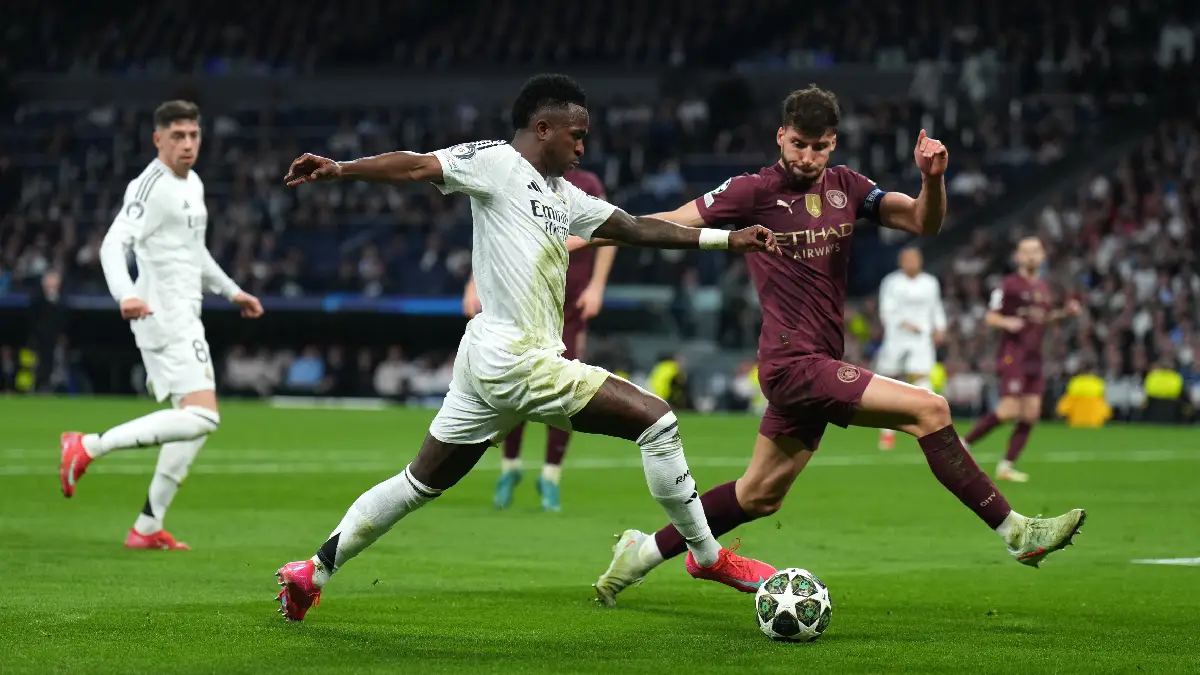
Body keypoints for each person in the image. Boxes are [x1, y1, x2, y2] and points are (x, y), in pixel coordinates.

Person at [273, 74, 780, 622]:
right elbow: (419, 165)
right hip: (516, 357)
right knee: (657, 423)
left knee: (419, 482)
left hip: (489, 362)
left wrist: (726, 238)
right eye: (576, 134)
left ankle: (314, 570)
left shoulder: (562, 195)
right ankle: (705, 555)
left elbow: (634, 228)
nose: (583, 146)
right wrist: (342, 167)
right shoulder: (496, 162)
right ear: (543, 129)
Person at [591, 85, 1085, 606]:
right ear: (781, 136)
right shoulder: (751, 191)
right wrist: (581, 234)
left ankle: (641, 553)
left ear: (834, 145)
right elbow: (665, 222)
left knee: (758, 495)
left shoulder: (848, 187)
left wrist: (931, 179)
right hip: (791, 364)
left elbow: (924, 221)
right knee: (930, 408)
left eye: (819, 147)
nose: (807, 157)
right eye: (799, 144)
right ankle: (1016, 532)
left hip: (819, 362)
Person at [58, 100, 265, 550]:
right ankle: (87, 445)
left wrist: (232, 291)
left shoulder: (193, 183)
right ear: (158, 139)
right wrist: (125, 294)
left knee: (189, 422)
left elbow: (195, 252)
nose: (188, 144)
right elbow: (113, 244)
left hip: (186, 312)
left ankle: (148, 526)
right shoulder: (148, 186)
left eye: (193, 135)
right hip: (160, 314)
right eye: (178, 136)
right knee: (203, 416)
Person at [462, 168, 617, 512]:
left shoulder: (587, 185)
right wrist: (473, 284)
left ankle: (550, 476)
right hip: (520, 298)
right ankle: (510, 468)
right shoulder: (516, 178)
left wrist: (597, 286)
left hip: (569, 302)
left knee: (567, 388)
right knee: (513, 382)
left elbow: (611, 231)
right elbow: (495, 239)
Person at [963, 236, 1081, 482]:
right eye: (1026, 252)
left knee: (1030, 414)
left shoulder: (1044, 288)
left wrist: (1065, 313)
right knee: (1008, 411)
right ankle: (965, 443)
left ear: (1043, 256)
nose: (1031, 256)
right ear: (1017, 257)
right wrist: (1007, 321)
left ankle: (1006, 466)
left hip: (1035, 357)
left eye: (1036, 251)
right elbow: (990, 317)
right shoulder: (1008, 285)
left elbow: (1044, 319)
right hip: (1012, 355)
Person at [874, 247, 947, 450]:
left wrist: (940, 327)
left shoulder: (930, 282)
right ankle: (887, 432)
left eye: (915, 258)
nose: (912, 262)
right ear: (901, 262)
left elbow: (936, 307)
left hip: (922, 338)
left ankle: (934, 428)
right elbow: (886, 310)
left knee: (922, 378)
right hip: (897, 337)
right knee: (890, 381)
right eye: (908, 259)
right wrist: (903, 323)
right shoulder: (892, 282)